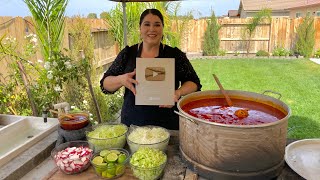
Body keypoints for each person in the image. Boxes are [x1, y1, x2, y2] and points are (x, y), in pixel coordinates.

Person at [100, 9, 201, 130]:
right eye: (147, 24)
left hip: (168, 126)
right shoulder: (128, 53)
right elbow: (105, 85)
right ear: (140, 28)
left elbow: (194, 83)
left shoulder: (174, 54)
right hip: (133, 126)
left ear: (162, 28)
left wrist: (177, 92)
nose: (152, 29)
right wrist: (121, 80)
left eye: (157, 25)